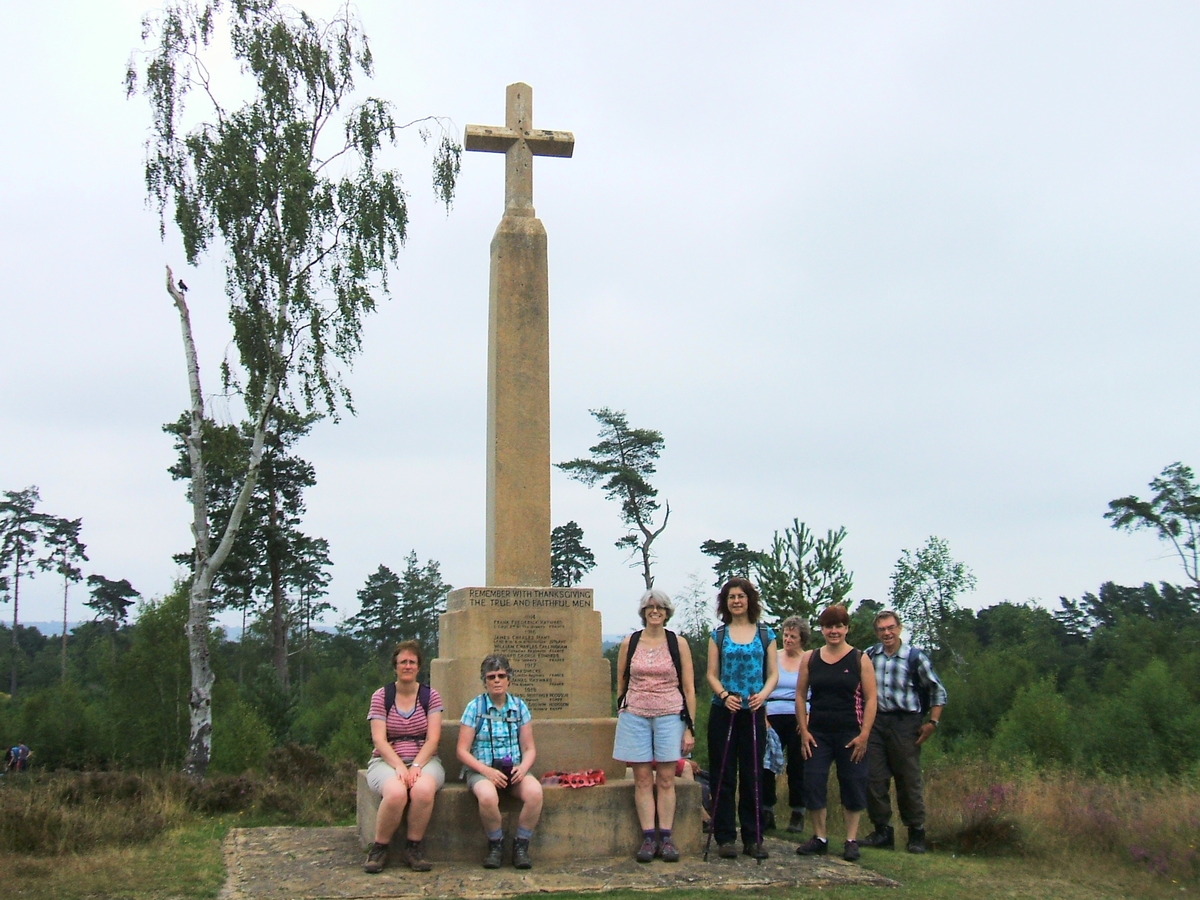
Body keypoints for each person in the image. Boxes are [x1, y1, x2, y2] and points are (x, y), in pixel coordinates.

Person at [613, 588, 697, 863]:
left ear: (667, 612)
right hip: (635, 714)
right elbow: (622, 681)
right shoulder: (630, 642)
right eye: (650, 607)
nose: (655, 611)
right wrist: (622, 709)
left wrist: (689, 727)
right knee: (642, 779)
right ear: (643, 612)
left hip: (670, 714)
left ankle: (667, 836)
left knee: (665, 779)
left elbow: (688, 687)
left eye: (660, 607)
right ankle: (648, 837)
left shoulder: (678, 643)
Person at [860, 609, 947, 854]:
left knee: (908, 779)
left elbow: (937, 690)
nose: (887, 633)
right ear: (876, 632)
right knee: (873, 777)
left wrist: (933, 722)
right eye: (881, 629)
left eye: (890, 628)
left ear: (899, 628)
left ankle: (916, 832)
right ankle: (882, 831)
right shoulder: (869, 655)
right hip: (876, 721)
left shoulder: (915, 657)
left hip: (906, 721)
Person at [795, 604, 877, 862]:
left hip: (851, 733)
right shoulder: (810, 657)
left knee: (853, 783)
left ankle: (851, 840)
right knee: (813, 782)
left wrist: (864, 735)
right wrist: (804, 730)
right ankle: (820, 837)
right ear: (822, 629)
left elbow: (872, 698)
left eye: (839, 626)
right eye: (829, 626)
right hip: (817, 732)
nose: (834, 631)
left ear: (846, 628)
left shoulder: (859, 658)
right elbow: (799, 695)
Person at [706, 577, 778, 860]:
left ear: (750, 600)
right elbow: (712, 673)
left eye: (741, 596)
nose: (736, 601)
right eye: (731, 597)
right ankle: (725, 837)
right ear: (725, 603)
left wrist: (763, 694)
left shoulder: (766, 634)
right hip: (725, 710)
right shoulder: (718, 635)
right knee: (723, 774)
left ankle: (753, 836)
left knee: (753, 774)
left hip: (754, 710)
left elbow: (773, 673)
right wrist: (724, 695)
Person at [363, 641, 445, 873]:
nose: (407, 666)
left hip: (425, 758)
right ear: (395, 666)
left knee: (422, 790)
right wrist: (400, 766)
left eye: (412, 662)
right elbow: (379, 739)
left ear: (419, 667)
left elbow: (433, 738)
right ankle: (379, 848)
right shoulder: (382, 696)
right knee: (397, 792)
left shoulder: (431, 696)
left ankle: (414, 848)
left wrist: (417, 765)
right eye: (403, 662)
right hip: (386, 760)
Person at [457, 653, 544, 870]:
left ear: (509, 679)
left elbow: (529, 748)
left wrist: (523, 768)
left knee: (535, 793)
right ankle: (496, 844)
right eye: (491, 677)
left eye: (501, 675)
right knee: (487, 796)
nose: (496, 680)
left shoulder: (519, 707)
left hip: (513, 769)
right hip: (482, 769)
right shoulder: (475, 708)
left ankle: (521, 845)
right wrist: (486, 771)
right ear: (484, 681)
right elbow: (462, 750)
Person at [762, 615, 809, 834]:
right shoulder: (773, 657)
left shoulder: (808, 659)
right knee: (767, 764)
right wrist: (762, 716)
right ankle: (766, 809)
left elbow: (814, 692)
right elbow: (761, 686)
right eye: (786, 635)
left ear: (802, 639)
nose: (788, 640)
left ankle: (798, 811)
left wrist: (807, 718)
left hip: (799, 714)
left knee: (798, 766)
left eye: (793, 636)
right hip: (772, 714)